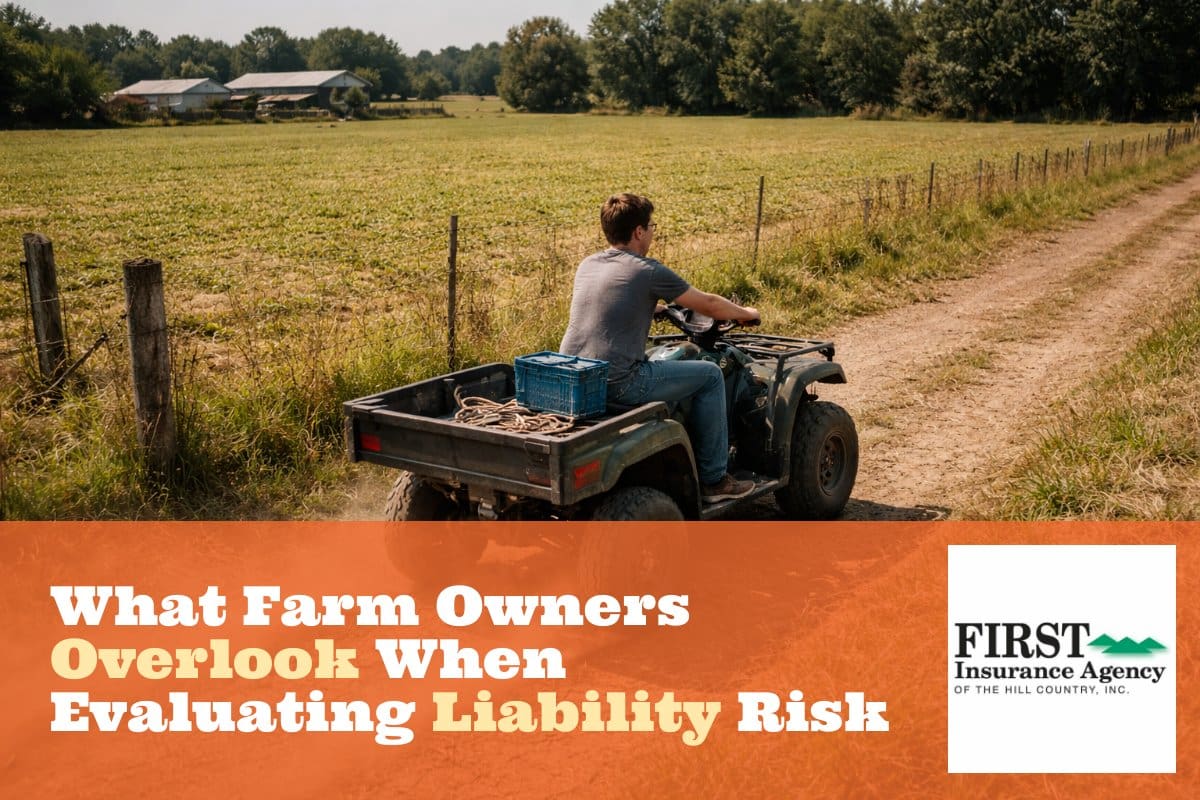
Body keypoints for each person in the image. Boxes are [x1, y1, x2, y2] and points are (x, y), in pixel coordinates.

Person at [559, 193, 761, 503]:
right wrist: (747, 313)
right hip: (620, 384)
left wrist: (652, 308)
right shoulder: (648, 271)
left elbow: (609, 303)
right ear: (638, 231)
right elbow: (707, 303)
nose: (653, 232)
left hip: (577, 379)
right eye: (652, 226)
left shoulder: (588, 264)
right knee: (709, 375)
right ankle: (715, 481)